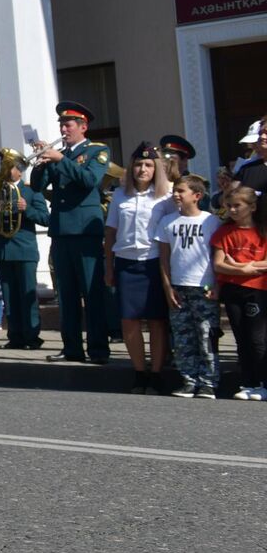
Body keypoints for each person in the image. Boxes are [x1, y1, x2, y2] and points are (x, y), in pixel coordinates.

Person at [31, 101, 114, 364]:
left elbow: (89, 180)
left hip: (84, 231)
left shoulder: (97, 151)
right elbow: (36, 186)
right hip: (61, 230)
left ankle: (99, 349)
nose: (63, 129)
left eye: (68, 125)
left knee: (92, 293)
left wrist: (58, 159)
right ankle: (71, 348)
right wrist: (42, 162)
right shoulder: (60, 155)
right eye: (61, 125)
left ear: (82, 126)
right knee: (66, 294)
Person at [105, 142, 170, 392]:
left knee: (156, 320)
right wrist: (108, 266)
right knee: (129, 320)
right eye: (139, 164)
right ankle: (139, 372)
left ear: (157, 169)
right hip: (126, 262)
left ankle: (156, 373)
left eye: (149, 165)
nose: (143, 169)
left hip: (153, 261)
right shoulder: (120, 195)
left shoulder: (166, 195)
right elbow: (111, 231)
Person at [158, 174, 221, 399]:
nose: (176, 194)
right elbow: (164, 258)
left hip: (203, 286)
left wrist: (217, 284)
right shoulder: (167, 222)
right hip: (178, 287)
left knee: (206, 335)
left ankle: (208, 382)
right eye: (175, 190)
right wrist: (168, 288)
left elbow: (216, 256)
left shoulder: (211, 221)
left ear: (197, 196)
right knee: (183, 337)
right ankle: (189, 379)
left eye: (181, 191)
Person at [0, 154, 50, 350]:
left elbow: (45, 218)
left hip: (25, 250)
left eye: (8, 165)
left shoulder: (31, 191)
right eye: (3, 165)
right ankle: (15, 336)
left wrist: (27, 210)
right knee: (9, 297)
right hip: (3, 251)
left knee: (27, 296)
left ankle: (32, 337)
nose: (4, 169)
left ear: (19, 170)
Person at [211, 185, 267, 400]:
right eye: (229, 206)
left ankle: (262, 382)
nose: (233, 210)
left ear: (252, 207)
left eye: (237, 206)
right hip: (233, 290)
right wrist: (243, 269)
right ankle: (248, 382)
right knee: (241, 337)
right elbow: (218, 264)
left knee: (257, 338)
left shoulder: (261, 231)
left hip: (257, 290)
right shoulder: (224, 232)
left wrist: (248, 266)